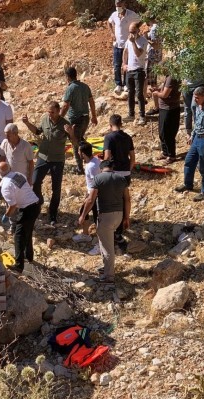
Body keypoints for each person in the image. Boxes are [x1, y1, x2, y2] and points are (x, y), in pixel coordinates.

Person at [22, 101, 76, 226]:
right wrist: (27, 123)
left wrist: (71, 133)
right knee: (35, 182)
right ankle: (39, 201)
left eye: (52, 112)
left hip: (57, 159)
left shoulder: (65, 124)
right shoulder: (45, 119)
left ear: (58, 111)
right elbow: (37, 131)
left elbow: (74, 143)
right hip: (43, 157)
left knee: (56, 189)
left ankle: (52, 213)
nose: (50, 114)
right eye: (48, 112)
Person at [79, 160, 130, 284]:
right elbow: (127, 200)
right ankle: (107, 268)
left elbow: (90, 200)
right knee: (106, 243)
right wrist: (126, 218)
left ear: (101, 169)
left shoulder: (98, 179)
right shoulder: (121, 179)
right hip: (118, 215)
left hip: (105, 215)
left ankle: (109, 277)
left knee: (106, 247)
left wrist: (83, 215)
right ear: (112, 168)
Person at [0, 161, 40, 273]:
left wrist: (6, 215)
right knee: (28, 231)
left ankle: (19, 265)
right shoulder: (18, 174)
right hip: (35, 205)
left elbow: (13, 205)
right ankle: (28, 256)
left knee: (19, 236)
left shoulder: (5, 186)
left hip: (27, 209)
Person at [103, 114, 135, 251]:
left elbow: (107, 156)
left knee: (113, 201)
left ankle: (114, 230)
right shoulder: (127, 137)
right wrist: (129, 169)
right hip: (125, 173)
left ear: (110, 125)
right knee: (125, 199)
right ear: (121, 124)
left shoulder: (109, 137)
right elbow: (132, 157)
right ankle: (124, 223)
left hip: (114, 173)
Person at [61, 67, 97, 174]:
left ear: (67, 77)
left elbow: (66, 105)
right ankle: (90, 157)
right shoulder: (85, 86)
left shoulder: (70, 88)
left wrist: (59, 118)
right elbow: (91, 102)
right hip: (85, 118)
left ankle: (80, 168)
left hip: (75, 120)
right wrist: (94, 116)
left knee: (75, 143)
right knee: (80, 139)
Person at [108, 1, 141, 95]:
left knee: (127, 65)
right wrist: (111, 33)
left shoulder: (131, 14)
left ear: (124, 4)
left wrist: (134, 30)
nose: (117, 7)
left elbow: (140, 20)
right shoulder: (114, 15)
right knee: (117, 66)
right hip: (117, 45)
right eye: (116, 5)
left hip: (127, 45)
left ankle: (126, 84)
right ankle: (118, 84)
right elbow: (109, 22)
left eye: (119, 5)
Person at [150, 71, 181, 163]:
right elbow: (165, 91)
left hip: (169, 109)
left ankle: (171, 155)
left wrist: (156, 93)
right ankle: (165, 152)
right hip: (165, 108)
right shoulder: (169, 77)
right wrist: (158, 90)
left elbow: (165, 95)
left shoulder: (171, 78)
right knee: (162, 132)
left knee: (168, 133)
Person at [73, 141, 100, 244]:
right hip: (92, 193)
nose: (78, 154)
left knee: (90, 214)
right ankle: (86, 234)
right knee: (84, 211)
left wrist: (90, 197)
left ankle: (98, 240)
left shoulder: (91, 167)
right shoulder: (95, 161)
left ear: (83, 154)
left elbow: (96, 184)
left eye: (79, 152)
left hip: (95, 195)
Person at [122, 21, 148, 125]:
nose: (131, 33)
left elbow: (138, 54)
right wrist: (124, 64)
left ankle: (142, 116)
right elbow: (125, 51)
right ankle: (131, 114)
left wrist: (133, 42)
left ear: (138, 30)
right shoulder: (128, 41)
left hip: (139, 70)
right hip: (130, 70)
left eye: (133, 31)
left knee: (139, 94)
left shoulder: (142, 41)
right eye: (130, 31)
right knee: (130, 93)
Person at [145, 16, 162, 116]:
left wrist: (146, 38)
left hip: (152, 59)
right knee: (153, 82)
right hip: (155, 58)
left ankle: (157, 106)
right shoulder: (157, 27)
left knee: (153, 83)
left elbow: (155, 45)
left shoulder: (154, 28)